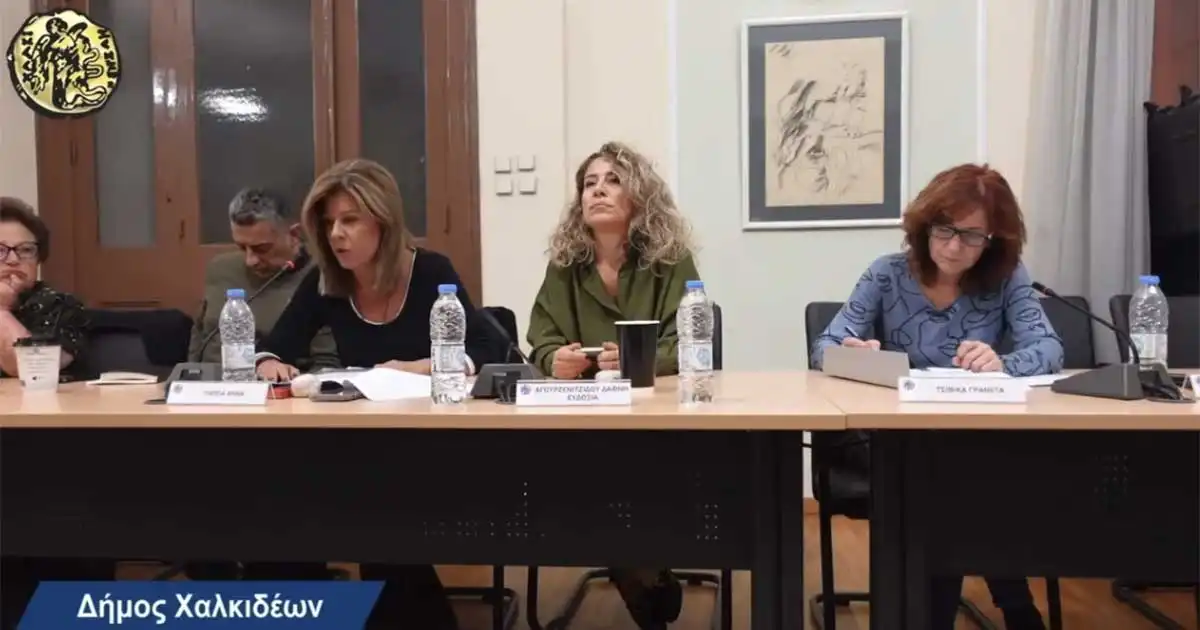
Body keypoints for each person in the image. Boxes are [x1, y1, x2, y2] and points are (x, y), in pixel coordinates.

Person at [811, 163, 1063, 630]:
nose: (953, 246)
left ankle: (940, 615)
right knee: (952, 481)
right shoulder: (887, 274)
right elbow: (824, 345)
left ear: (994, 240)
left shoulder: (1007, 277)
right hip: (895, 444)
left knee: (964, 476)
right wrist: (856, 353)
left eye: (971, 236)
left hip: (973, 438)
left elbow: (1049, 348)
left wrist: (1002, 363)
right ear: (924, 226)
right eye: (944, 230)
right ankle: (1013, 606)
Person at [255, 158, 499, 630]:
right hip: (359, 440)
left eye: (349, 220)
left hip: (431, 441)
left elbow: (486, 349)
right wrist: (269, 364)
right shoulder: (327, 279)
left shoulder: (430, 271)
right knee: (281, 507)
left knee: (377, 516)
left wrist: (418, 366)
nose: (336, 235)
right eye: (329, 223)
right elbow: (275, 346)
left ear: (382, 223)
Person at [526, 141, 699, 630]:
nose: (597, 191)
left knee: (621, 471)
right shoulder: (565, 264)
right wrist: (553, 359)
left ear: (638, 197)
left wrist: (639, 360)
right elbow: (542, 337)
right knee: (591, 469)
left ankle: (638, 568)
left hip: (656, 418)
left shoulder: (670, 260)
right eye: (589, 184)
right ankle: (643, 572)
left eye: (613, 181)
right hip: (585, 417)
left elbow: (689, 341)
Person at [0, 197, 111, 630]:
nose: (13, 261)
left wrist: (1, 310)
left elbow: (29, 366)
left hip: (52, 454)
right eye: (0, 251)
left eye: (25, 250)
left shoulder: (61, 306)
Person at [187, 188, 338, 373]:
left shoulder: (319, 278)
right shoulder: (221, 269)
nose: (250, 261)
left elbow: (326, 365)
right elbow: (200, 337)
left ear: (294, 235)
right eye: (242, 247)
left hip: (277, 386)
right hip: (207, 384)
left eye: (262, 249)